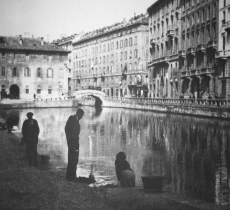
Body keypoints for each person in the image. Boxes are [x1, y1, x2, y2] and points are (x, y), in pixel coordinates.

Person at [65, 108, 84, 181]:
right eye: (81, 115)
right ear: (78, 113)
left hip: (75, 143)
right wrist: (71, 143)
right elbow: (68, 130)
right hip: (72, 143)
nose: (82, 117)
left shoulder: (76, 120)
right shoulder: (72, 118)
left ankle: (72, 175)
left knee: (74, 160)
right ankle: (70, 176)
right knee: (72, 159)